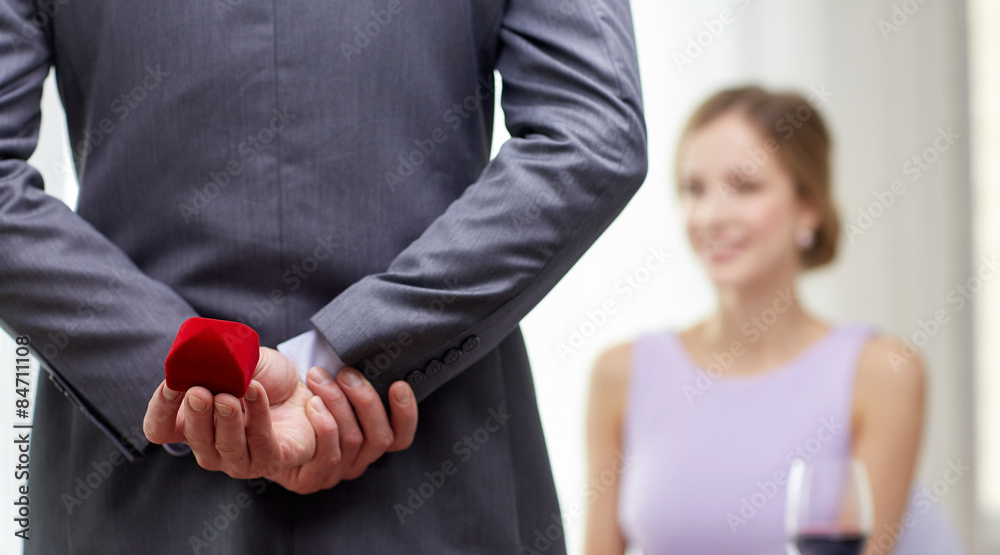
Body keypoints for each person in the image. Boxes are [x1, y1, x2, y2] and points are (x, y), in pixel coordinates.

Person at [0, 0, 647, 552]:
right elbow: (592, 136)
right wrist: (347, 353)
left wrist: (196, 371)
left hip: (128, 486)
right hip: (436, 465)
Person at [583, 86, 960, 554]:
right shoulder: (622, 373)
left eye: (744, 187)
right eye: (693, 189)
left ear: (809, 207)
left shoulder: (882, 372)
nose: (710, 216)